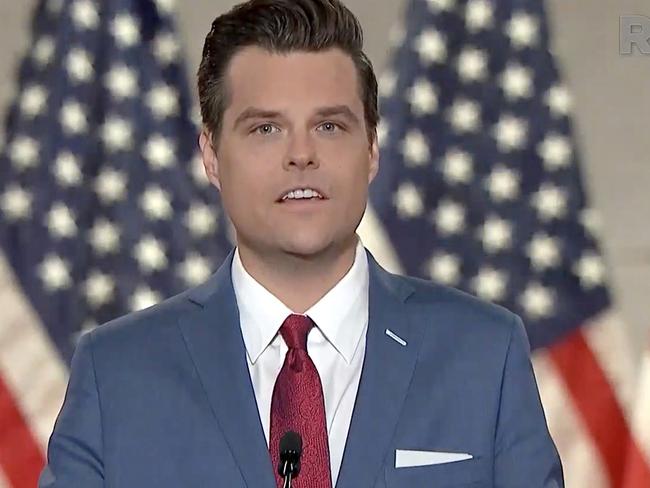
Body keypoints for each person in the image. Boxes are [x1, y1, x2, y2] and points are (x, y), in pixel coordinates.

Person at [39, 0, 563, 486]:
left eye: (330, 126)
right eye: (266, 129)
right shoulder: (116, 375)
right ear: (211, 156)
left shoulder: (484, 356)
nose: (301, 155)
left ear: (372, 150)